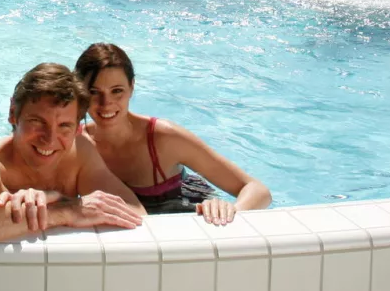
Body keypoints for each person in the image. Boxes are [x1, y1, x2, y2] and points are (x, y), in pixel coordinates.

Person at [0, 62, 146, 243]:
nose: (49, 139)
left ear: (78, 129)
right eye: (37, 122)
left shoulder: (80, 153)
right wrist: (64, 212)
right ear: (13, 114)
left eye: (64, 126)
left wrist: (57, 200)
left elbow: (136, 213)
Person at [76, 43, 271, 224]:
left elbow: (258, 190)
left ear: (132, 87)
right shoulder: (74, 142)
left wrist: (229, 212)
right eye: (94, 92)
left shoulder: (163, 137)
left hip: (185, 209)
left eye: (117, 90)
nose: (105, 103)